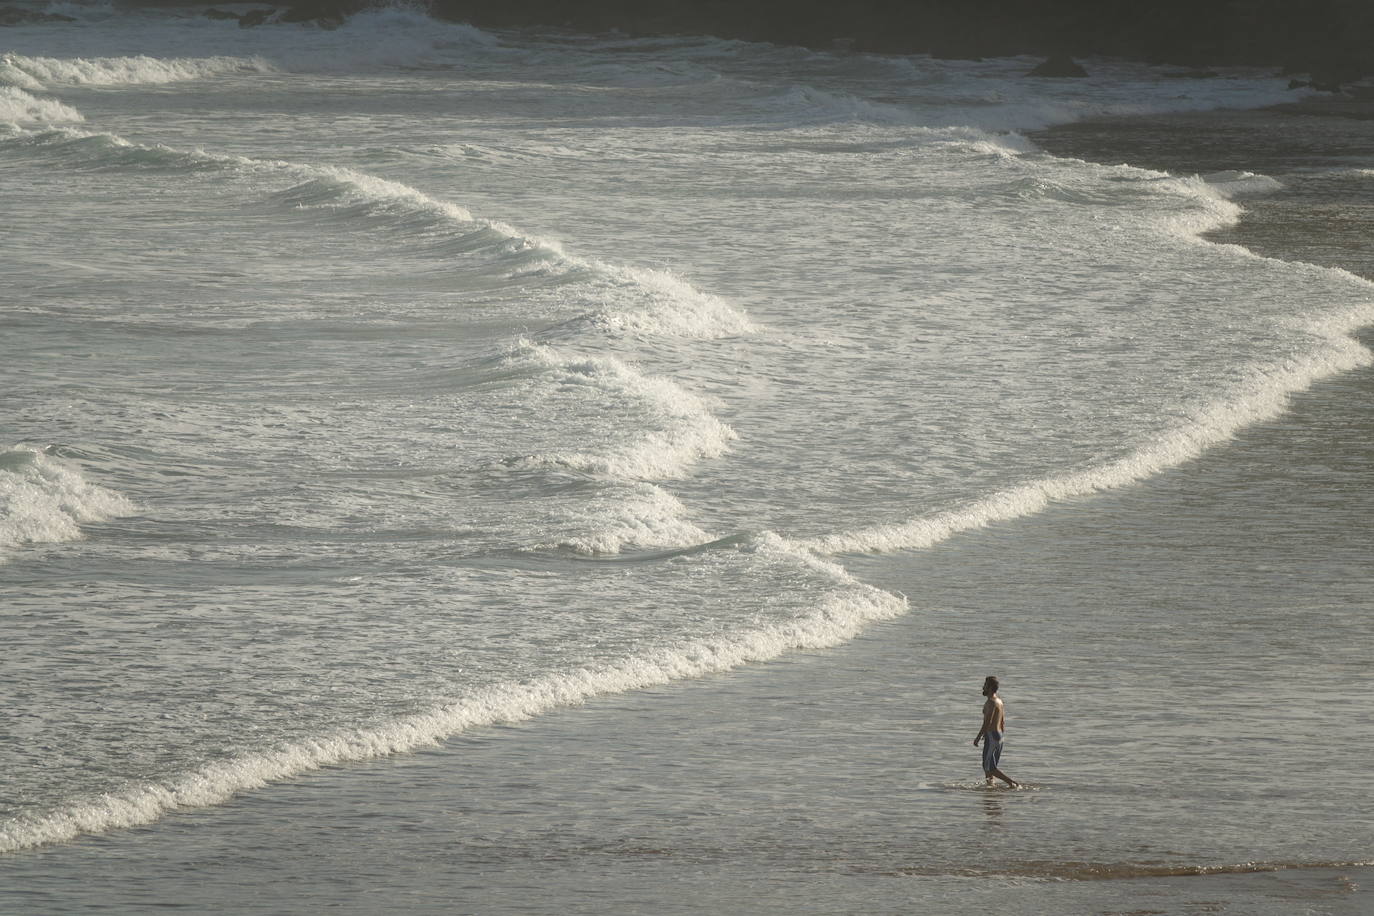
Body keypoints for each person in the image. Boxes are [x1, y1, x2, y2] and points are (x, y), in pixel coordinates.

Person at [973, 675, 1018, 787]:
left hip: (992, 736)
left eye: (985, 685)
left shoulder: (991, 703)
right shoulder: (999, 701)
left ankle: (1012, 783)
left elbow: (987, 722)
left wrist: (978, 737)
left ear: (990, 687)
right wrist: (997, 736)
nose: (983, 687)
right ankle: (990, 787)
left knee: (990, 767)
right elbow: (1002, 722)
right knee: (987, 766)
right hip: (998, 736)